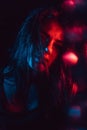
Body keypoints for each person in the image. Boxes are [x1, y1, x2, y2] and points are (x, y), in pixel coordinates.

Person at [0, 6, 73, 130]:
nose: (48, 49)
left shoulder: (54, 97)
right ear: (28, 36)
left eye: (56, 46)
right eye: (43, 37)